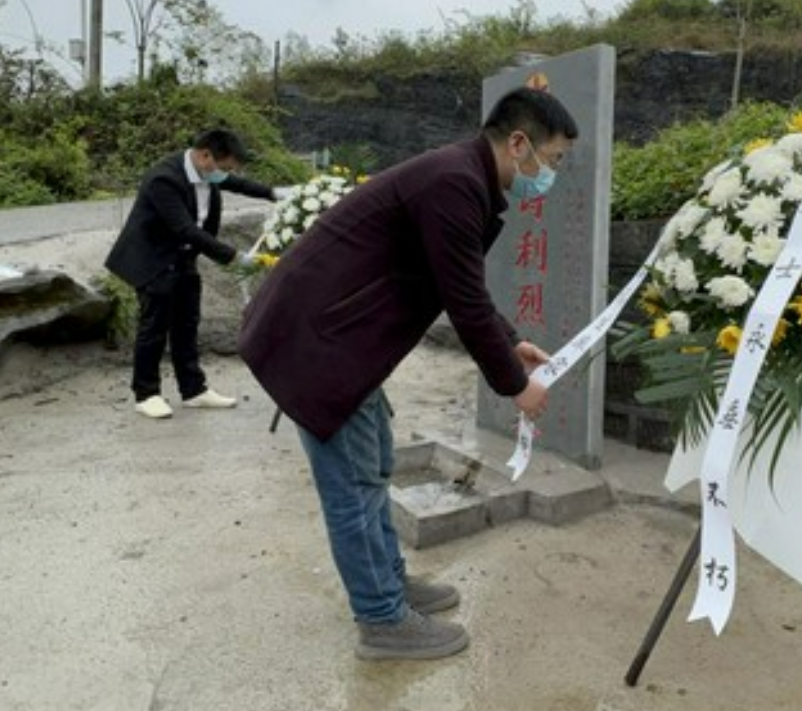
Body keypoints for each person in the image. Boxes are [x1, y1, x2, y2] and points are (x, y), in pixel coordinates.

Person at [238, 87, 578, 660]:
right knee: (351, 486)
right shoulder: (455, 182)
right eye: (553, 159)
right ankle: (381, 619)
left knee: (374, 470)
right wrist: (516, 387)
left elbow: (457, 281)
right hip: (322, 344)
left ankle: (388, 582)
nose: (550, 173)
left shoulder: (461, 177)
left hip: (346, 343)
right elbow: (465, 301)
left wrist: (511, 341)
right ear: (519, 143)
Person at [105, 128, 282, 420]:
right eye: (223, 167)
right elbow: (185, 229)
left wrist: (273, 193)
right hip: (153, 258)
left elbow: (236, 184)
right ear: (204, 155)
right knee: (155, 325)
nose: (224, 174)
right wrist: (235, 257)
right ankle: (146, 393)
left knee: (187, 323)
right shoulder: (164, 178)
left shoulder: (207, 172)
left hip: (184, 256)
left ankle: (193, 390)